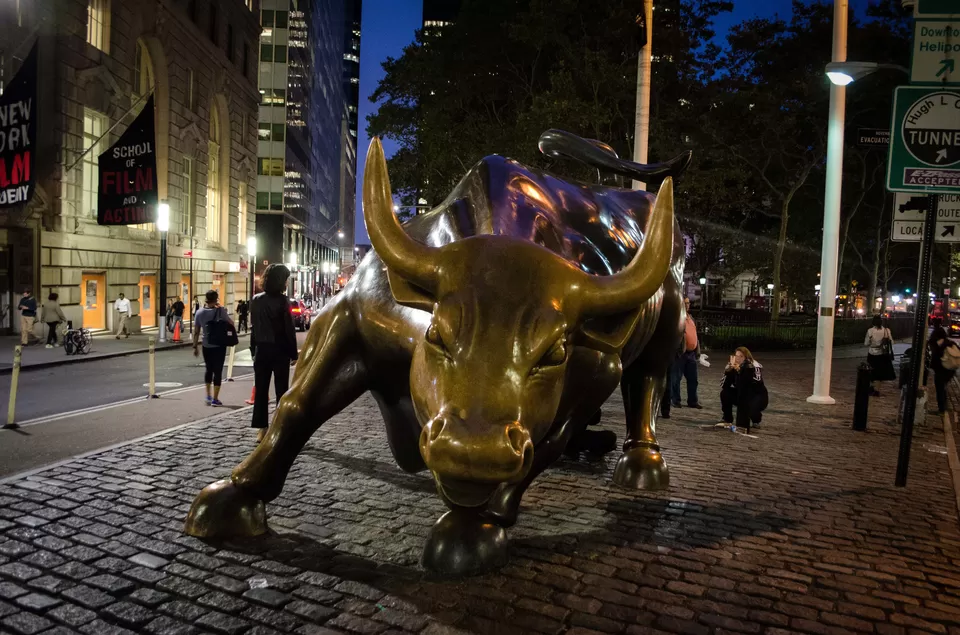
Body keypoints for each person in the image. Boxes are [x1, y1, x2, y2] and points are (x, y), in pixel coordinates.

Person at [250, 264, 299, 443]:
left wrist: (253, 349)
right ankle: (280, 428)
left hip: (261, 350)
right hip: (279, 351)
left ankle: (261, 430)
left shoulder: (256, 299)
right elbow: (289, 331)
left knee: (261, 391)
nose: (287, 282)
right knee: (281, 391)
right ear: (280, 281)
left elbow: (254, 328)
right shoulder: (283, 301)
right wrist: (293, 353)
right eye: (286, 279)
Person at [193, 290, 234, 407]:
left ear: (206, 299)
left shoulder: (199, 313)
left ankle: (208, 395)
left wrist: (195, 346)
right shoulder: (221, 311)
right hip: (220, 346)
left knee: (208, 369)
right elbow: (231, 323)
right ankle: (215, 399)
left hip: (206, 345)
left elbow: (196, 332)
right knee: (218, 371)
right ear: (216, 299)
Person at [720, 347, 768, 430]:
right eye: (736, 356)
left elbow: (755, 384)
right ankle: (727, 418)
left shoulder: (753, 366)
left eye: (741, 356)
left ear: (746, 357)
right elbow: (724, 385)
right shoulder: (731, 365)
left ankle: (756, 419)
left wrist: (740, 371)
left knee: (751, 408)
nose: (738, 358)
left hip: (756, 395)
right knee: (725, 393)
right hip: (741, 394)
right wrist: (729, 372)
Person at [671, 297, 702, 409]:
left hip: (691, 353)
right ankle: (675, 400)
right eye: (685, 303)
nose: (687, 305)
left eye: (688, 303)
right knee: (676, 378)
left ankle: (693, 401)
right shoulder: (677, 318)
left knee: (693, 379)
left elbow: (694, 334)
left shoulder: (691, 317)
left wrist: (697, 349)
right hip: (681, 353)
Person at [864, 315, 896, 396]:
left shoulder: (870, 331)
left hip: (872, 353)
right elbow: (892, 342)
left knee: (871, 371)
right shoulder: (886, 330)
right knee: (880, 373)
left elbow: (866, 343)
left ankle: (872, 387)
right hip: (883, 354)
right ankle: (876, 389)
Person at [930, 326, 958, 414]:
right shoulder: (951, 342)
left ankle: (941, 408)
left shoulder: (937, 343)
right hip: (951, 370)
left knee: (940, 389)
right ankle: (944, 407)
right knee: (943, 388)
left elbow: (936, 357)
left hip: (941, 369)